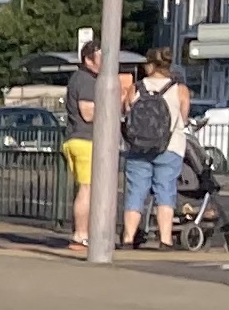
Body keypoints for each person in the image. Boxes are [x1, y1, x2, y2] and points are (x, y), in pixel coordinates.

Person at [119, 52, 192, 247]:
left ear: (149, 65)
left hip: (138, 148)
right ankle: (165, 239)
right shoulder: (180, 89)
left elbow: (126, 113)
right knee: (165, 191)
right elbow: (184, 119)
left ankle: (128, 238)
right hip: (169, 147)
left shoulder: (136, 88)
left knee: (136, 192)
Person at [65, 37, 102, 242]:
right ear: (89, 59)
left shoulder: (80, 78)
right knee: (87, 188)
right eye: (101, 57)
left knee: (86, 188)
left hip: (78, 138)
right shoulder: (87, 81)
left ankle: (84, 232)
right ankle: (81, 234)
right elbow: (88, 113)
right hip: (85, 140)